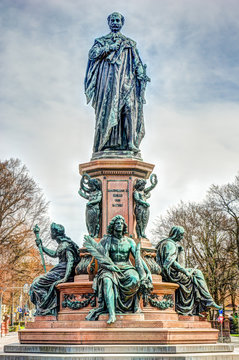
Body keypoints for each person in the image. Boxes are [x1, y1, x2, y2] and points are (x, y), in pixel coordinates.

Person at [85, 12, 150, 155]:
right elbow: (93, 54)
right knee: (108, 112)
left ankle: (130, 143)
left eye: (117, 20)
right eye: (112, 20)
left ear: (122, 23)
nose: (115, 22)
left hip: (126, 82)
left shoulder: (129, 43)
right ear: (109, 23)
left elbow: (137, 62)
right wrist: (110, 47)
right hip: (107, 83)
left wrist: (141, 73)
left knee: (129, 109)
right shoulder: (101, 41)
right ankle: (104, 144)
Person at [84, 215, 152, 323]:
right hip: (109, 268)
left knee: (135, 279)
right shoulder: (105, 240)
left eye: (121, 223)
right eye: (117, 223)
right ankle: (112, 314)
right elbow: (97, 254)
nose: (119, 225)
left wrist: (148, 271)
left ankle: (132, 306)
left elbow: (138, 258)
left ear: (124, 226)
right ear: (113, 226)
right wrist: (92, 264)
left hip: (126, 267)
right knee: (106, 281)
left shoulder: (130, 242)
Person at [156, 226, 221, 316]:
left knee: (196, 274)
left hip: (168, 272)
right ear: (176, 234)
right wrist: (185, 271)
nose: (182, 237)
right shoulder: (170, 244)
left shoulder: (166, 243)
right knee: (196, 274)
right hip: (171, 274)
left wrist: (181, 252)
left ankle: (202, 305)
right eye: (181, 235)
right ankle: (206, 301)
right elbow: (170, 262)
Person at [30, 223, 79, 316]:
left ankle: (46, 308)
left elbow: (71, 261)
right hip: (59, 270)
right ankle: (45, 307)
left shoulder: (66, 245)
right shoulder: (62, 244)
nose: (50, 233)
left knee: (36, 284)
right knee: (35, 282)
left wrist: (65, 278)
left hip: (62, 272)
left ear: (55, 233)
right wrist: (42, 247)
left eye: (51, 232)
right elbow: (54, 254)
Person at [133, 174, 158, 238]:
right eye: (142, 185)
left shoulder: (143, 191)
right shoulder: (136, 192)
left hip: (145, 208)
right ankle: (139, 235)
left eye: (144, 185)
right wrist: (144, 202)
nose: (143, 187)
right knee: (139, 222)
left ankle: (143, 232)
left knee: (145, 221)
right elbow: (137, 199)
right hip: (139, 208)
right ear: (139, 185)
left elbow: (150, 188)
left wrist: (154, 184)